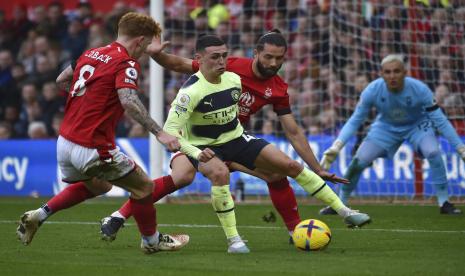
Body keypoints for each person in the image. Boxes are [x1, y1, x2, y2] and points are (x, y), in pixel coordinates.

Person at [100, 32, 371, 244]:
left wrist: (317, 167)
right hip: (196, 140)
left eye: (279, 59)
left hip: (233, 139)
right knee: (182, 177)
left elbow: (293, 131)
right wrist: (158, 55)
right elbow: (180, 64)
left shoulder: (278, 88)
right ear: (257, 54)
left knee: (277, 174)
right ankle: (118, 215)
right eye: (268, 57)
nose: (273, 63)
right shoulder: (228, 65)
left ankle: (295, 231)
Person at [15, 12, 189, 254]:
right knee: (144, 188)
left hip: (65, 142)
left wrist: (91, 102)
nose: (144, 51)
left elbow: (61, 79)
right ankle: (151, 241)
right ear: (139, 41)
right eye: (146, 45)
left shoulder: (91, 53)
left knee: (100, 186)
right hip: (93, 146)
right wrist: (159, 133)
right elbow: (128, 101)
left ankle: (40, 214)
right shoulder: (127, 63)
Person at [319, 54, 465, 215]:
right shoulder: (373, 90)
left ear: (405, 72)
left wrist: (460, 148)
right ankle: (339, 203)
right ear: (381, 74)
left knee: (433, 152)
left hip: (418, 126)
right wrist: (337, 145)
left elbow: (441, 120)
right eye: (387, 72)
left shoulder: (420, 89)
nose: (392, 76)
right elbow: (355, 120)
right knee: (358, 161)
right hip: (385, 127)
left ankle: (444, 202)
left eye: (396, 71)